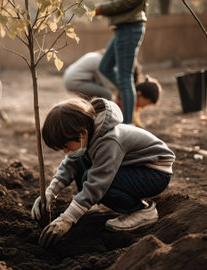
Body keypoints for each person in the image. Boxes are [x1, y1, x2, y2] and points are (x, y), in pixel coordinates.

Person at [31, 98, 175, 248]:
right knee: (79, 162)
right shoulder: (87, 136)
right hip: (131, 167)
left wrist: (67, 219)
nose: (65, 152)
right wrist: (50, 192)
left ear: (83, 134)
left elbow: (97, 184)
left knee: (95, 181)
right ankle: (96, 203)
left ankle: (143, 212)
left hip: (154, 173)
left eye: (66, 146)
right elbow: (70, 164)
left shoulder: (109, 141)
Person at [63, 50, 160, 128]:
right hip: (74, 81)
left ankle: (83, 122)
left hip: (78, 79)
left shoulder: (103, 59)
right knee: (107, 94)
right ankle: (108, 122)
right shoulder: (102, 65)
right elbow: (112, 88)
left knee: (87, 106)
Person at [96, 0, 148, 125]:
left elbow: (126, 2)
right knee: (105, 66)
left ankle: (127, 126)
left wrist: (99, 9)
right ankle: (128, 92)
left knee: (125, 79)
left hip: (129, 28)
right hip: (123, 28)